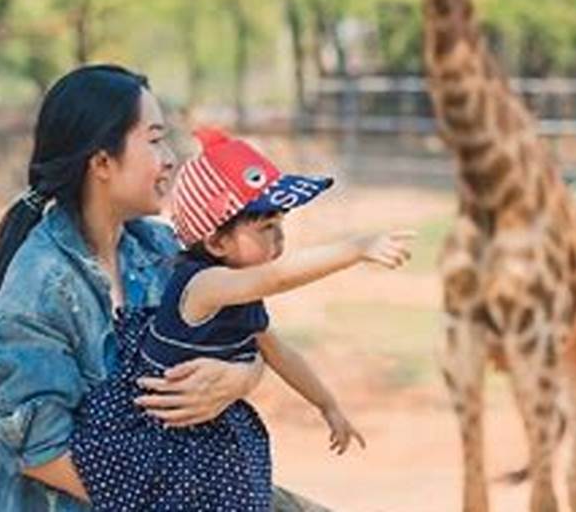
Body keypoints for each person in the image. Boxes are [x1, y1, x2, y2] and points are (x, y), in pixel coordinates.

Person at [0, 65, 264, 511]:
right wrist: (182, 499)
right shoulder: (41, 287)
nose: (171, 158)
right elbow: (45, 455)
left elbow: (243, 340)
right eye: (154, 140)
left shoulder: (158, 251)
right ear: (101, 163)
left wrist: (237, 379)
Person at [69, 126, 415, 511]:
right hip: (158, 445)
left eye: (280, 225)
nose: (279, 240)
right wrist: (356, 248)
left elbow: (279, 353)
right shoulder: (205, 284)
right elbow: (277, 277)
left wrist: (327, 404)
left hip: (204, 436)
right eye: (266, 228)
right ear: (216, 242)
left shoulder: (240, 294)